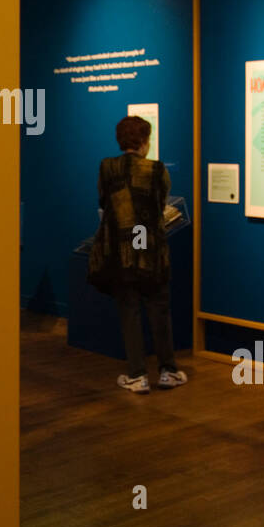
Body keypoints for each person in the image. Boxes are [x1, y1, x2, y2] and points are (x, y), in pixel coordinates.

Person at [92, 115, 186, 394]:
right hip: (149, 247)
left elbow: (102, 200)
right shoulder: (157, 170)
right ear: (144, 141)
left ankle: (137, 374)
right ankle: (168, 370)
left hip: (121, 250)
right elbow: (160, 203)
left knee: (129, 311)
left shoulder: (107, 167)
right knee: (159, 309)